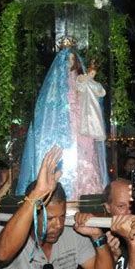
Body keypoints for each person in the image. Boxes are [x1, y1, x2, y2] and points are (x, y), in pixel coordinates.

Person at [0, 147, 115, 269]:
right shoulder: (13, 238)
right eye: (49, 218)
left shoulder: (73, 236)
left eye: (62, 216)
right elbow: (1, 255)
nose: (58, 225)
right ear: (33, 215)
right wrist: (37, 194)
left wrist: (97, 237)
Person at [16, 43, 108, 200]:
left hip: (81, 124)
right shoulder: (56, 83)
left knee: (86, 157)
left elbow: (92, 88)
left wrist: (89, 76)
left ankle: (87, 193)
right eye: (67, 60)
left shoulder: (79, 78)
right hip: (66, 126)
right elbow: (49, 108)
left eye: (73, 59)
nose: (70, 63)